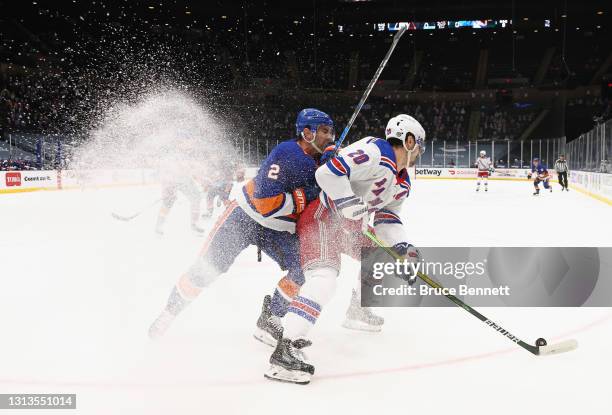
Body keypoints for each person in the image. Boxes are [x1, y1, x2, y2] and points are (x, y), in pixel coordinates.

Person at [264, 114, 425, 385]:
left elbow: (388, 218)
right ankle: (285, 349)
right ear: (409, 141)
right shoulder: (375, 152)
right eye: (419, 145)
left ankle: (358, 310)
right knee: (324, 279)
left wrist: (402, 248)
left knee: (379, 256)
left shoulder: (402, 180)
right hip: (323, 218)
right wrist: (347, 201)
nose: (420, 152)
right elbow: (326, 173)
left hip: (352, 227)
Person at [148, 109, 335, 340]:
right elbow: (265, 202)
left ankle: (271, 318)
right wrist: (311, 188)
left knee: (304, 267)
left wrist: (332, 170)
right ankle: (168, 314)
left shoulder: (319, 161)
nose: (331, 138)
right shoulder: (287, 152)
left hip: (278, 229)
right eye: (325, 131)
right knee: (206, 271)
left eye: (332, 132)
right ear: (307, 133)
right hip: (244, 219)